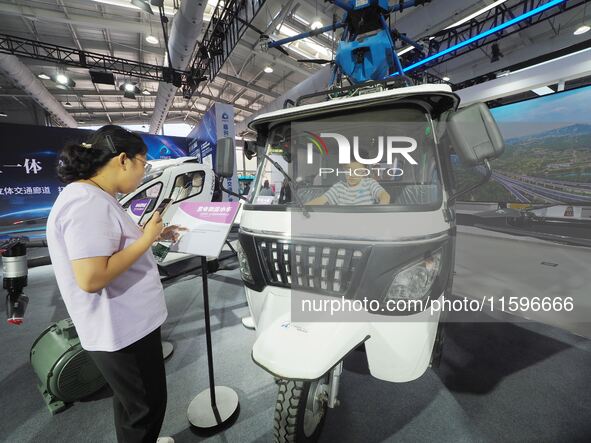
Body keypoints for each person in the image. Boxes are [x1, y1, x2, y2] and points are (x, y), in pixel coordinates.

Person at [46, 125, 183, 443]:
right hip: (122, 331)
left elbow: (109, 248)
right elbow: (91, 277)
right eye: (143, 164)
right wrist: (146, 238)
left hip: (121, 326)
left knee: (130, 405)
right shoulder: (86, 202)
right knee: (146, 408)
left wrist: (152, 234)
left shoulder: (90, 195)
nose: (143, 172)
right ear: (123, 160)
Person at [306, 161, 390, 205]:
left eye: (357, 171)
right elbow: (321, 200)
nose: (352, 175)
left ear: (364, 172)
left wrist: (382, 205)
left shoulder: (369, 183)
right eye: (348, 171)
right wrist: (301, 209)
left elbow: (384, 195)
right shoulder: (339, 187)